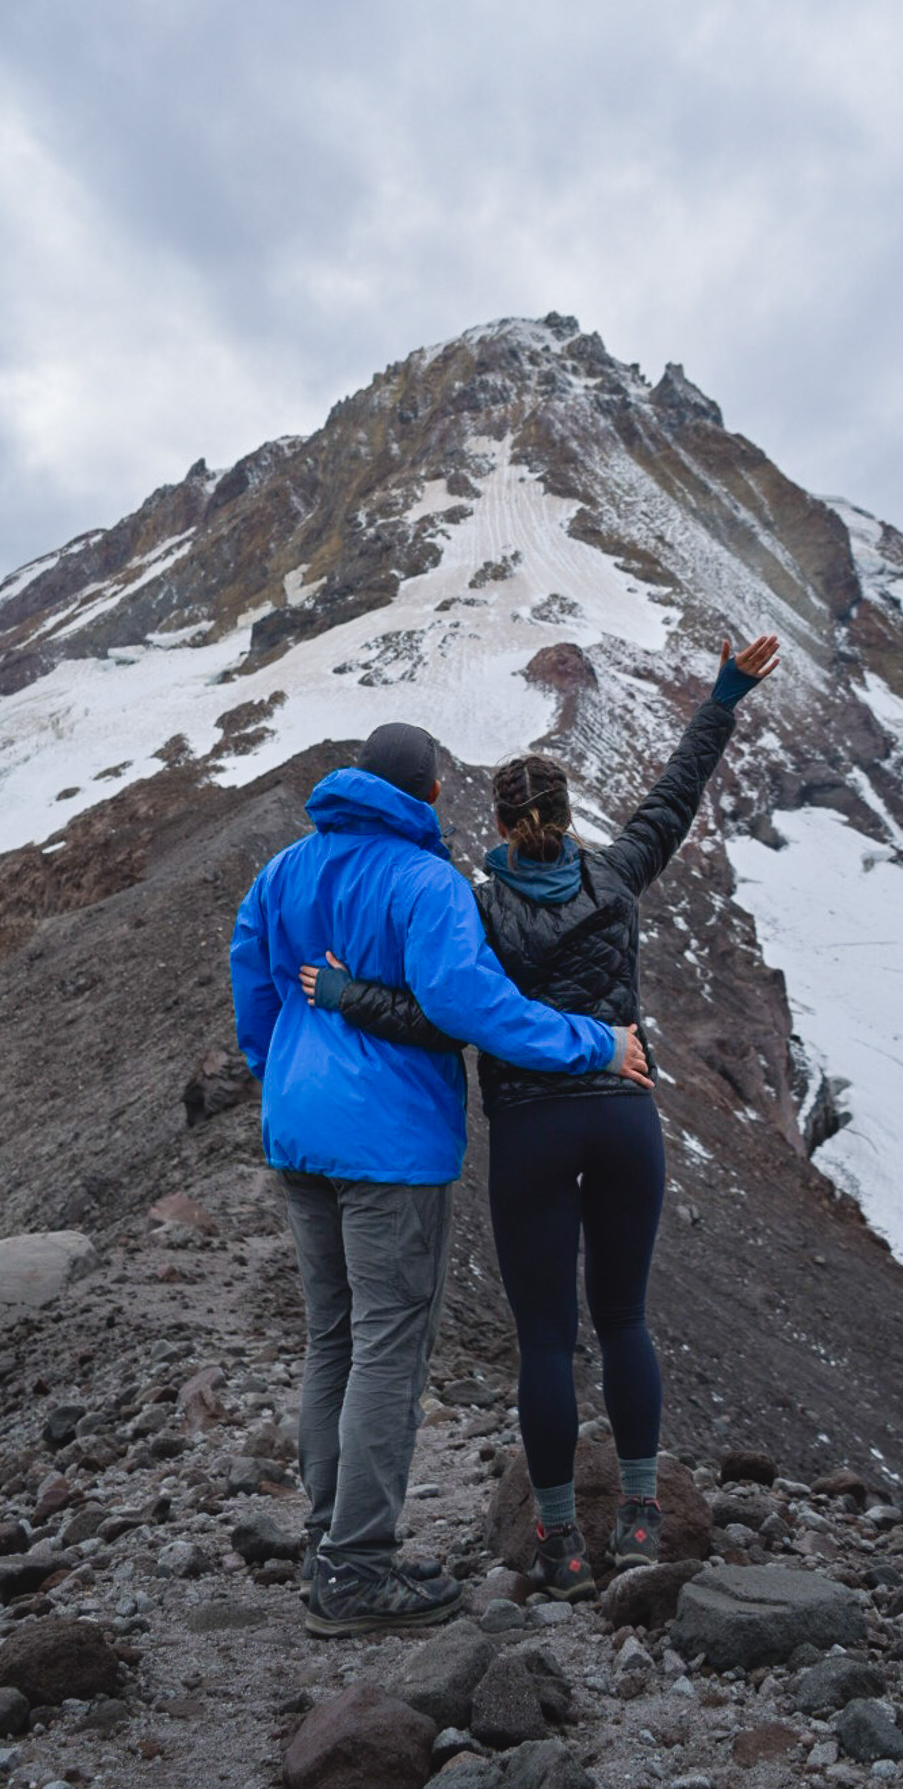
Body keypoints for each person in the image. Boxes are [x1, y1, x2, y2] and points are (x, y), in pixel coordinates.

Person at [300, 635, 779, 1602]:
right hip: (623, 1118)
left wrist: (346, 996)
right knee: (626, 1319)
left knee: (548, 1343)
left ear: (501, 822)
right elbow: (676, 791)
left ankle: (559, 1541)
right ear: (565, 817)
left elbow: (438, 1016)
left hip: (531, 1131)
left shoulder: (472, 910)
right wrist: (724, 694)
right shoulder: (616, 874)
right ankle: (641, 1518)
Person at [229, 719, 650, 1638]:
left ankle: (326, 1540)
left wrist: (282, 1075)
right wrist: (595, 1043)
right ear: (425, 796)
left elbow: (252, 982)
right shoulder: (425, 882)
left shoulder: (281, 872)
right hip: (390, 1146)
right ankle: (357, 1570)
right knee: (386, 1345)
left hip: (298, 1132)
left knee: (330, 1338)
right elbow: (470, 1006)